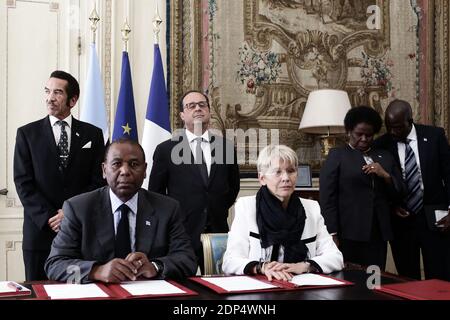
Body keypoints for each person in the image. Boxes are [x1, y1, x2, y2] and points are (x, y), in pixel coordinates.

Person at [45, 139, 197, 283]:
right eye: (116, 164)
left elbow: (187, 260)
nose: (125, 171)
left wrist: (155, 267)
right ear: (104, 170)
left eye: (134, 164)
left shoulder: (168, 208)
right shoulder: (78, 208)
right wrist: (96, 271)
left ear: (144, 171)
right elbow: (55, 265)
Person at [13, 70, 106, 281]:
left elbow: (98, 181)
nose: (50, 98)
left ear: (73, 100)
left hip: (80, 232)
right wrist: (50, 218)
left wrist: (69, 212)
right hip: (39, 233)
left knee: (78, 291)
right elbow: (23, 183)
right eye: (47, 91)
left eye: (57, 92)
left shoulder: (93, 134)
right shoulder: (27, 134)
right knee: (38, 290)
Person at [148, 90, 240, 270]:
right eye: (191, 106)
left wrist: (215, 209)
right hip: (180, 234)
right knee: (181, 289)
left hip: (217, 233)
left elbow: (233, 187)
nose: (198, 108)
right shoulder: (166, 150)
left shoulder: (226, 147)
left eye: (202, 105)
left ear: (209, 112)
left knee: (218, 290)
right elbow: (156, 194)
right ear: (182, 115)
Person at [222, 145, 343, 281]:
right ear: (262, 178)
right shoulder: (246, 207)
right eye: (277, 172)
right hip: (261, 287)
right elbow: (230, 261)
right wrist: (261, 267)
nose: (286, 178)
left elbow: (335, 257)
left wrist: (305, 266)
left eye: (291, 171)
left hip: (301, 286)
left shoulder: (312, 208)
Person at [320, 106, 405, 271]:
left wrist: (385, 175)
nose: (364, 139)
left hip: (377, 234)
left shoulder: (385, 156)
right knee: (349, 279)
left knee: (374, 278)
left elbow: (400, 191)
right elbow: (327, 197)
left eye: (369, 135)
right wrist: (332, 233)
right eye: (359, 134)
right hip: (348, 233)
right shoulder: (337, 155)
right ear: (349, 131)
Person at [373, 99, 450, 281]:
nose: (393, 132)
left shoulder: (434, 136)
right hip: (402, 222)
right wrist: (392, 206)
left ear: (410, 120)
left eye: (398, 127)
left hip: (435, 219)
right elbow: (380, 186)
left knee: (440, 275)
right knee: (407, 278)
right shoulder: (382, 144)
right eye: (389, 126)